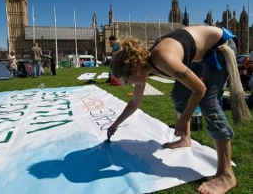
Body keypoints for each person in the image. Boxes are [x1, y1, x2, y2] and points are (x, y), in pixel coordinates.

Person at [107, 26, 251, 194]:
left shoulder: (163, 58)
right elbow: (134, 103)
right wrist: (115, 124)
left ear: (135, 68)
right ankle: (185, 139)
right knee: (179, 95)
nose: (127, 83)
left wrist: (184, 119)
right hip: (200, 54)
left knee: (208, 102)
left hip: (219, 46)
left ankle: (226, 174)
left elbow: (200, 89)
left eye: (126, 79)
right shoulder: (144, 67)